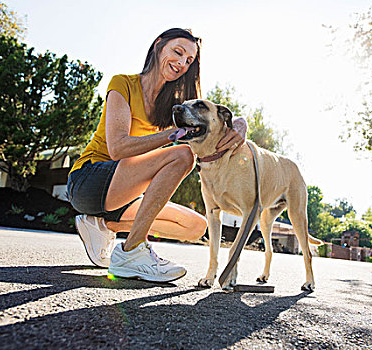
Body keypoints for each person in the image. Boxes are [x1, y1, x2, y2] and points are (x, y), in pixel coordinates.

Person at [66, 28, 247, 283]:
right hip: (88, 180)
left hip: (123, 194)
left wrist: (240, 123)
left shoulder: (174, 105)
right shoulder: (123, 84)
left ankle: (105, 225)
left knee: (196, 227)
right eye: (178, 52)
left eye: (189, 61)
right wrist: (173, 135)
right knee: (183, 155)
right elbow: (118, 148)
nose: (182, 63)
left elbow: (211, 116)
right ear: (159, 46)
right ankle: (132, 250)